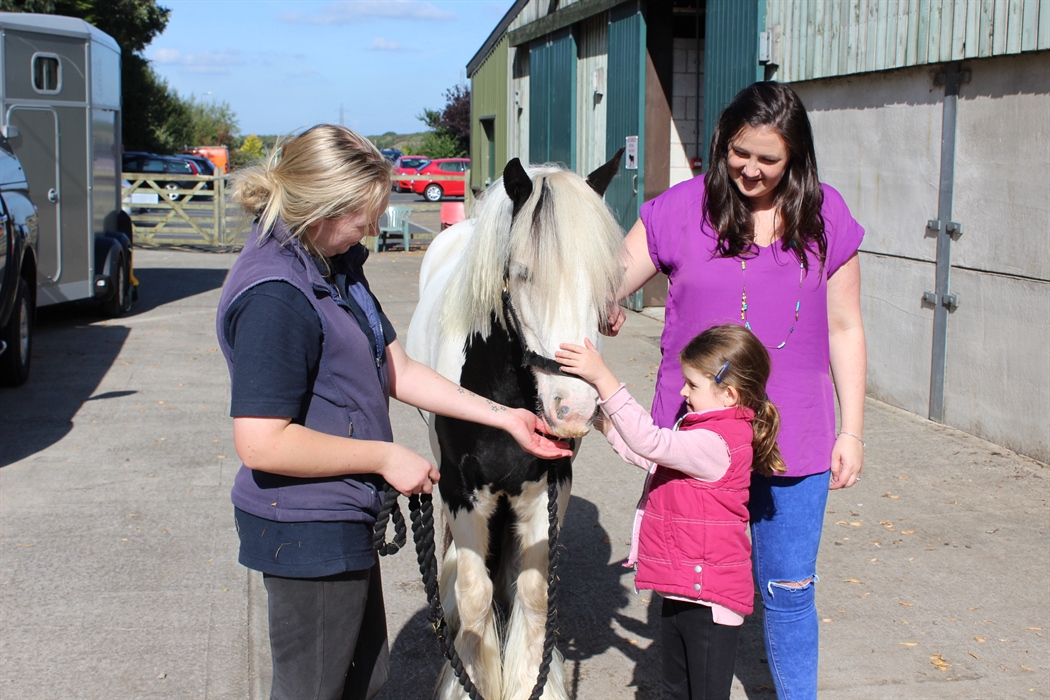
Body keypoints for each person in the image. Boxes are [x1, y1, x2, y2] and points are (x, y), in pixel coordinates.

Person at [215, 124, 570, 700]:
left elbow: (396, 369)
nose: (375, 228)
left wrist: (504, 417)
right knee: (316, 687)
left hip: (342, 513)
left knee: (363, 679)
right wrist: (384, 455)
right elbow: (260, 441)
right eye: (364, 216)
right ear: (323, 208)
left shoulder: (332, 268)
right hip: (305, 524)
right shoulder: (275, 294)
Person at [605, 82, 867, 699]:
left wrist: (852, 429)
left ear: (796, 157)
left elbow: (847, 328)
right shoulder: (680, 208)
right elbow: (609, 275)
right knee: (690, 588)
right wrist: (604, 300)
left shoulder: (827, 214)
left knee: (789, 588)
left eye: (768, 159)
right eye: (738, 152)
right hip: (695, 436)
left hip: (794, 436)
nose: (749, 169)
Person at [557, 324, 784, 700]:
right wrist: (598, 420)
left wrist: (603, 378)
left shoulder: (718, 442)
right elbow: (648, 456)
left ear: (729, 394)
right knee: (674, 691)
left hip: (711, 603)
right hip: (685, 590)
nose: (683, 392)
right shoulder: (704, 431)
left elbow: (651, 441)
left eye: (693, 385)